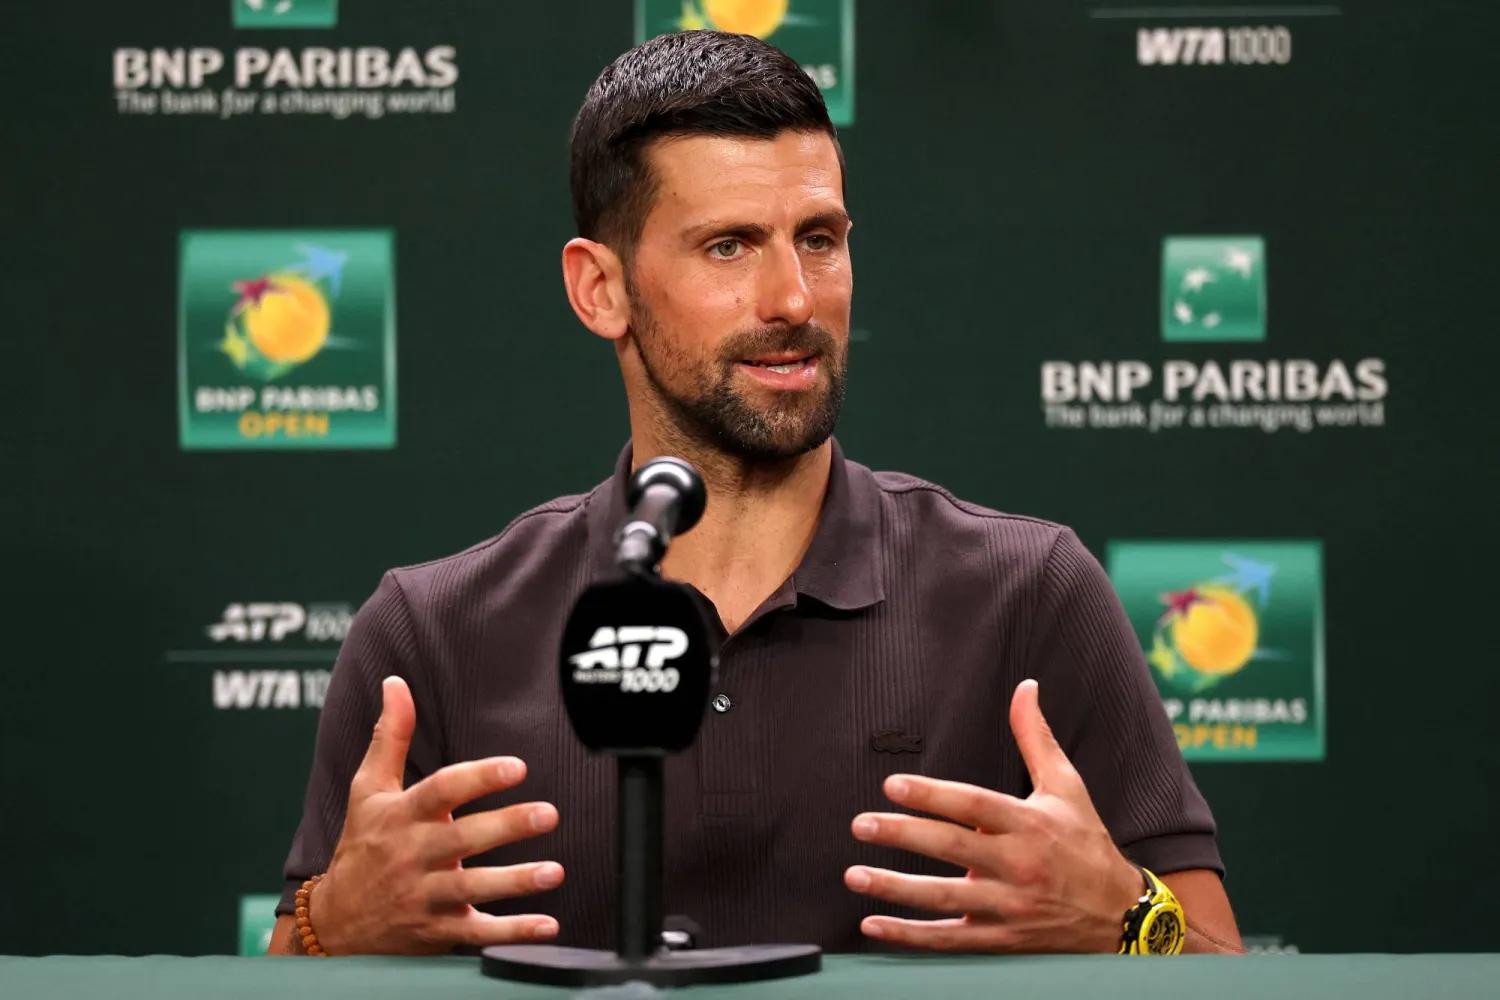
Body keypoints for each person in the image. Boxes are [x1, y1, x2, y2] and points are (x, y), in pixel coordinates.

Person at [269, 30, 1243, 958]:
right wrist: (333, 923)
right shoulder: (433, 636)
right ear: (598, 288)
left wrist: (1125, 913)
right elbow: (285, 967)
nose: (794, 299)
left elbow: (1225, 964)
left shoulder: (1030, 596)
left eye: (819, 238)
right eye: (730, 246)